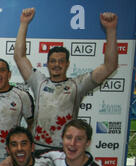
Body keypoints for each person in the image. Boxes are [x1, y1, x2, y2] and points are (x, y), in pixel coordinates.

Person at [14, 8, 118, 152]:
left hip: (66, 151)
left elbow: (109, 66)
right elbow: (20, 57)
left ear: (67, 64)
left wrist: (111, 30)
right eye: (53, 61)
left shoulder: (78, 84)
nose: (57, 64)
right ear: (48, 64)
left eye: (61, 61)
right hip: (38, 149)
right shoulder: (39, 81)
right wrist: (23, 23)